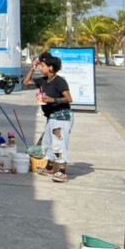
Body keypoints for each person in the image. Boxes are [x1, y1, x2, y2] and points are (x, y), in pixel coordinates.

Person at [23, 51, 73, 182]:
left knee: (59, 143)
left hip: (61, 116)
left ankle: (62, 171)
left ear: (50, 67)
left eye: (43, 65)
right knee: (48, 143)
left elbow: (69, 98)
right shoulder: (44, 80)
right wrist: (32, 67)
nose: (41, 68)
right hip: (51, 117)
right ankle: (50, 168)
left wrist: (52, 100)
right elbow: (26, 81)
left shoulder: (59, 81)